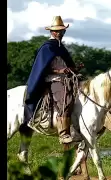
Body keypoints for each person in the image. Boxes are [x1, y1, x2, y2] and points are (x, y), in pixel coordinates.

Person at [24, 16, 81, 144]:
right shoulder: (47, 47)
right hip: (53, 80)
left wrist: (74, 68)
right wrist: (60, 71)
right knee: (65, 99)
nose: (61, 33)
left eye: (63, 31)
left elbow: (66, 64)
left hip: (66, 79)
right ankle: (64, 134)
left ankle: (78, 128)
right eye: (58, 31)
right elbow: (42, 69)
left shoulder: (60, 46)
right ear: (52, 32)